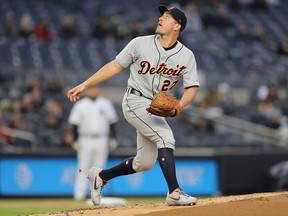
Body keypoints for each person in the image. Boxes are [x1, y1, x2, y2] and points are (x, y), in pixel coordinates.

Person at [67, 5, 199, 206]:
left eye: (167, 16)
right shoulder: (140, 43)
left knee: (144, 163)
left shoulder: (187, 55)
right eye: (161, 15)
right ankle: (174, 192)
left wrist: (180, 105)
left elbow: (192, 88)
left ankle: (101, 176)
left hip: (155, 109)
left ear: (177, 26)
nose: (160, 18)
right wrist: (85, 85)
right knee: (166, 137)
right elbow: (114, 66)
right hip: (135, 100)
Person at [68, 85, 119, 200]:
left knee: (100, 169)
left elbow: (113, 123)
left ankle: (98, 194)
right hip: (85, 139)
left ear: (98, 89)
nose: (93, 91)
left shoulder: (106, 103)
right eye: (91, 89)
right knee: (83, 167)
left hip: (102, 138)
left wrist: (113, 138)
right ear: (87, 91)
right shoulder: (81, 105)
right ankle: (79, 194)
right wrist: (75, 139)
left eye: (95, 88)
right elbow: (74, 124)